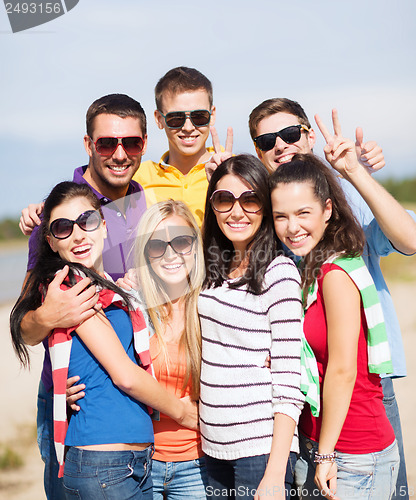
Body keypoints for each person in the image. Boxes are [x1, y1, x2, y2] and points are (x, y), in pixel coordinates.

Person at [248, 99, 416, 500]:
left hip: (365, 386)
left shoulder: (342, 200)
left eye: (290, 134)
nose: (281, 145)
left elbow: (408, 240)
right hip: (301, 393)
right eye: (267, 140)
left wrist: (354, 171)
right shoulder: (267, 217)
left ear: (308, 135)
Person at [10, 182, 198, 499]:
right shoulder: (70, 285)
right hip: (105, 464)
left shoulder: (106, 285)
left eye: (88, 221)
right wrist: (182, 412)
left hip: (123, 463)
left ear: (105, 225)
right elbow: (125, 374)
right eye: (63, 228)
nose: (79, 234)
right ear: (51, 242)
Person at [18, 93, 149, 499]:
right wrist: (49, 317)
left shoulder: (146, 201)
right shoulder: (58, 215)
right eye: (107, 143)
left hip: (136, 402)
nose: (119, 153)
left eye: (131, 142)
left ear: (145, 142)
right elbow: (24, 324)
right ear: (89, 145)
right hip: (75, 402)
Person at [270, 153, 400, 499]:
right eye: (280, 216)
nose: (291, 227)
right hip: (325, 445)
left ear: (328, 209)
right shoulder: (309, 269)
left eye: (303, 213)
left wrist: (325, 453)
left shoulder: (336, 273)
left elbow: (342, 369)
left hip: (353, 453)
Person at [198, 154, 305, 500]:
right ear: (212, 206)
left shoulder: (280, 274)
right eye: (224, 199)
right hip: (212, 450)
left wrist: (275, 473)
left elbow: (290, 382)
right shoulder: (211, 269)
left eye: (250, 199)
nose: (237, 211)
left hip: (259, 453)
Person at [134, 200, 208, 499]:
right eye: (156, 246)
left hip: (198, 463)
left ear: (196, 246)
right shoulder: (132, 311)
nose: (170, 254)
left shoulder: (215, 307)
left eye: (181, 241)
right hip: (140, 464)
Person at [135, 66, 227, 227]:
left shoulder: (235, 170)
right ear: (158, 119)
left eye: (199, 116)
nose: (188, 127)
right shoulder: (138, 179)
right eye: (176, 118)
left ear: (212, 115)